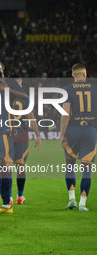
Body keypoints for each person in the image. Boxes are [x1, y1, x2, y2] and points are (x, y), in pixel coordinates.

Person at [0, 60, 27, 216]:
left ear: (3, 67)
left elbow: (24, 97)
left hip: (3, 129)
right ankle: (7, 204)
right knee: (2, 167)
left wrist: (7, 90)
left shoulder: (10, 82)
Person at [61, 63, 97, 212]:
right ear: (85, 74)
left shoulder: (68, 89)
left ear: (72, 76)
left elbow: (66, 113)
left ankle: (71, 200)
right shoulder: (94, 89)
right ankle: (82, 203)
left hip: (72, 130)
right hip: (90, 130)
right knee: (86, 168)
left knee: (70, 165)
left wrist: (62, 134)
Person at [10, 77, 41, 204]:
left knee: (6, 167)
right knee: (21, 166)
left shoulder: (4, 96)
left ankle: (9, 197)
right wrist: (37, 135)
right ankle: (19, 196)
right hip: (21, 135)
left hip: (7, 135)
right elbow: (30, 117)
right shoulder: (24, 98)